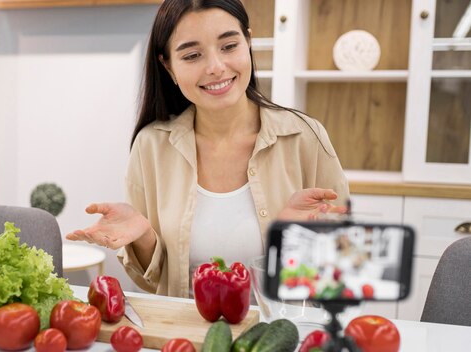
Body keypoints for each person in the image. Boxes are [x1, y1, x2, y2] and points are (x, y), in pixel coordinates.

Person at [66, 0, 349, 298]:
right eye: (192, 55)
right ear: (168, 66)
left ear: (248, 42)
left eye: (229, 46)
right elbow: (153, 282)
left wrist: (293, 241)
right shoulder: (151, 146)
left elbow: (341, 272)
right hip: (187, 338)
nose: (216, 67)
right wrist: (144, 238)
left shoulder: (304, 136)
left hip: (280, 336)